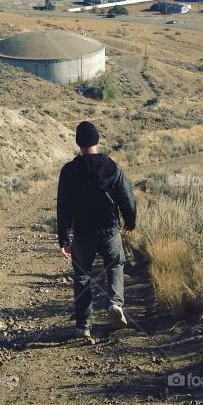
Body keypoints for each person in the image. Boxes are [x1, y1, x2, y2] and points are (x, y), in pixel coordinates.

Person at [56, 121, 137, 340]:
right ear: (97, 140)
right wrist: (130, 221)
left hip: (82, 235)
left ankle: (83, 326)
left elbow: (63, 206)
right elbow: (126, 197)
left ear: (78, 143)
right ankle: (114, 303)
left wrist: (63, 238)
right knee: (115, 265)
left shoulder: (69, 171)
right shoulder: (112, 167)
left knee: (82, 276)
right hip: (109, 231)